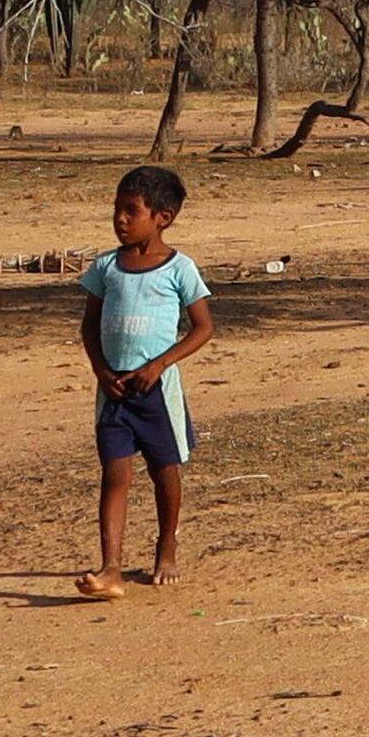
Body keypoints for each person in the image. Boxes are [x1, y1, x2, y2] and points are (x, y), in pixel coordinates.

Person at [74, 165, 214, 599]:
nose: (119, 219)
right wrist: (100, 370)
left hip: (155, 394)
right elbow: (88, 326)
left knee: (164, 472)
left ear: (163, 218)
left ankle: (166, 544)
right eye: (116, 209)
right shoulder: (106, 267)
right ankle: (110, 568)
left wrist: (158, 365)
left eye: (131, 211)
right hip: (113, 393)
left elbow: (202, 328)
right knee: (115, 474)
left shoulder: (179, 268)